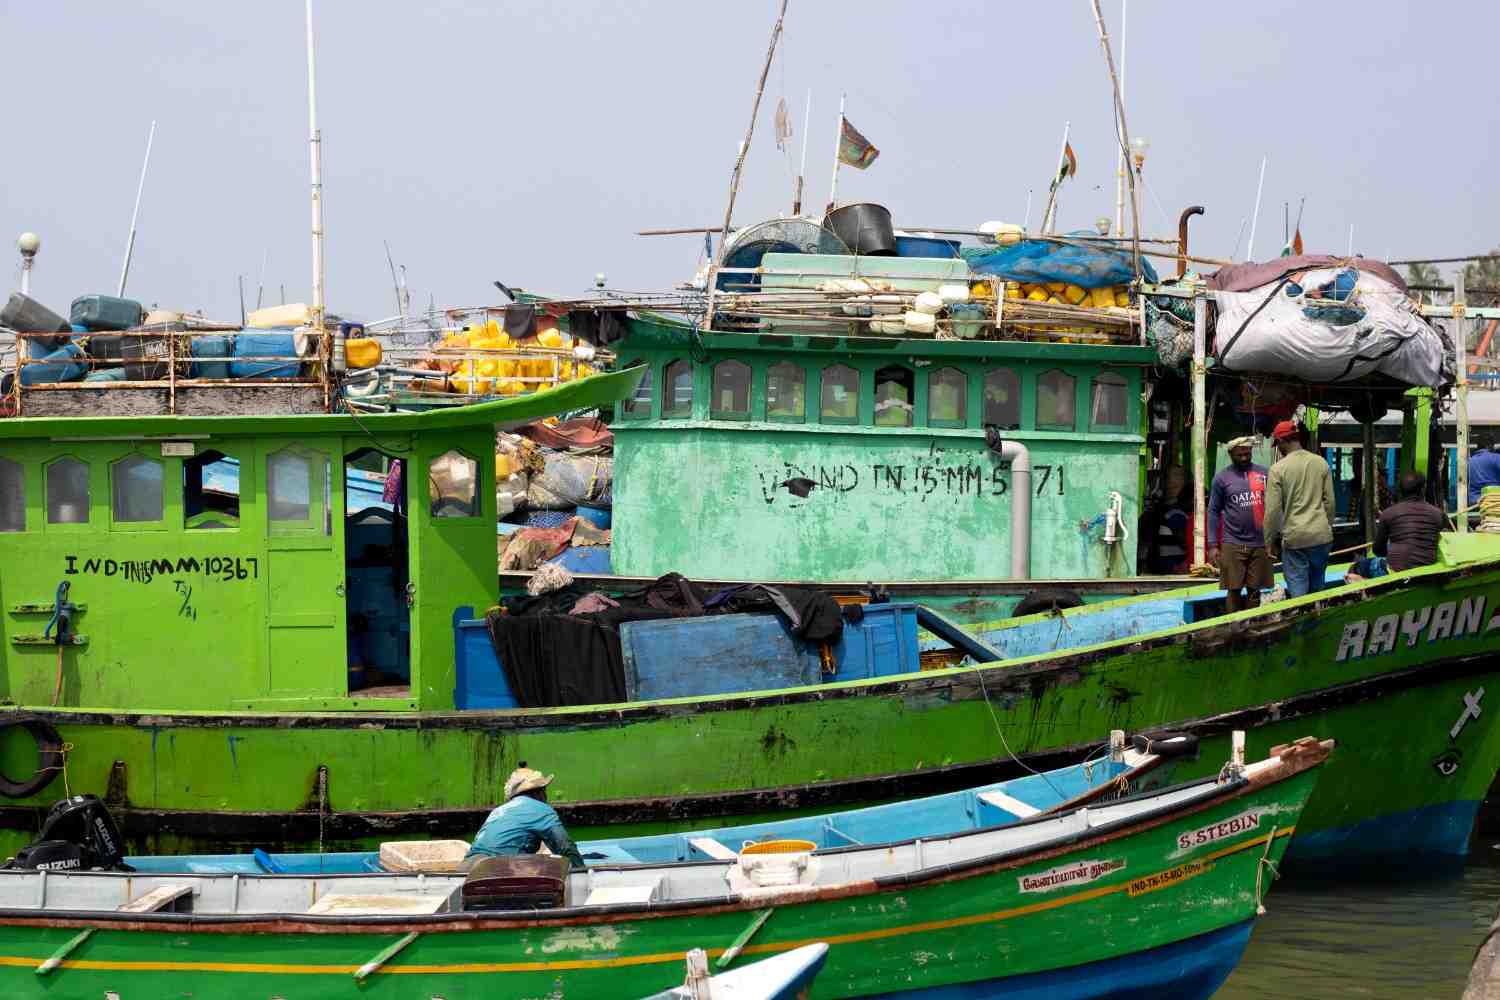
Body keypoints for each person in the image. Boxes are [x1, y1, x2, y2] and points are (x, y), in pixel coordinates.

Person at [461, 764, 584, 871]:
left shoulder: (499, 810)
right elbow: (565, 847)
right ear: (538, 792)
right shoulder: (540, 809)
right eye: (544, 790)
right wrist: (580, 871)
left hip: (465, 868)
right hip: (495, 869)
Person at [1264, 420, 1335, 597]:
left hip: (1296, 539)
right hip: (1321, 537)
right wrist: (1326, 527)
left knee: (1299, 595)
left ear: (1282, 442)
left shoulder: (1277, 469)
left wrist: (1268, 542)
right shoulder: (1321, 463)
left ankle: (1303, 623)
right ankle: (1317, 620)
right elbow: (1330, 503)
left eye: (1277, 445)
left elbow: (1272, 511)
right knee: (1317, 590)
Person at [1207, 436, 1271, 612]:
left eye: (1247, 454)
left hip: (1260, 543)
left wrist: (1274, 539)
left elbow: (1274, 506)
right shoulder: (1221, 479)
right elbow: (1213, 511)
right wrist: (1212, 545)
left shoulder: (1264, 474)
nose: (1244, 458)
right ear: (1230, 454)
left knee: (1255, 590)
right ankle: (1233, 629)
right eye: (1239, 455)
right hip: (1233, 543)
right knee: (1233, 589)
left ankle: (1251, 627)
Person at [1370, 471, 1445, 574]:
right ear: (1423, 489)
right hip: (1427, 570)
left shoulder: (1388, 514)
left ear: (1400, 491)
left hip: (1396, 570)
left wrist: (1394, 551)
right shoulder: (1438, 514)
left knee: (1359, 566)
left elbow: (1378, 550)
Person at [1469, 434, 1500, 508]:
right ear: (1489, 445)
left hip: (1475, 503)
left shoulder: (1469, 461)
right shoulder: (1496, 458)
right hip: (1494, 503)